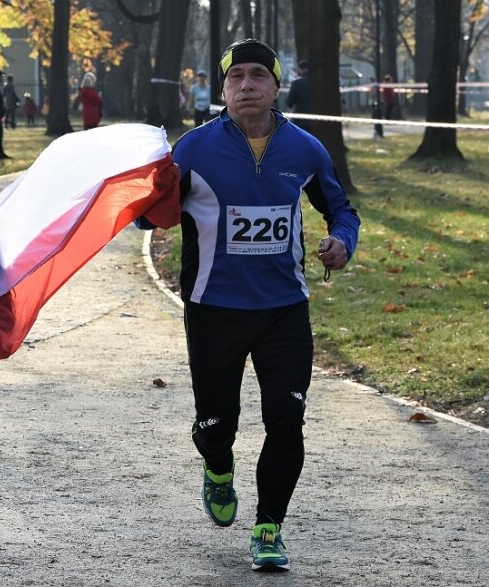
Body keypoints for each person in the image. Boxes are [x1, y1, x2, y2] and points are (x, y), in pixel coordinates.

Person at [138, 39, 360, 573]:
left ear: (276, 86)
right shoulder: (193, 149)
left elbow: (341, 209)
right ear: (222, 89)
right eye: (236, 76)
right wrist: (153, 190)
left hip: (284, 309)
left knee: (287, 420)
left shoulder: (305, 148)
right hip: (213, 308)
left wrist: (342, 242)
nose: (246, 85)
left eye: (258, 75)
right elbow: (151, 219)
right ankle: (217, 465)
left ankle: (268, 528)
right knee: (217, 426)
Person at [286, 59, 310, 131]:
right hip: (316, 121)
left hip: (299, 119)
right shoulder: (318, 83)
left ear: (299, 69)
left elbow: (289, 102)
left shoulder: (296, 83)